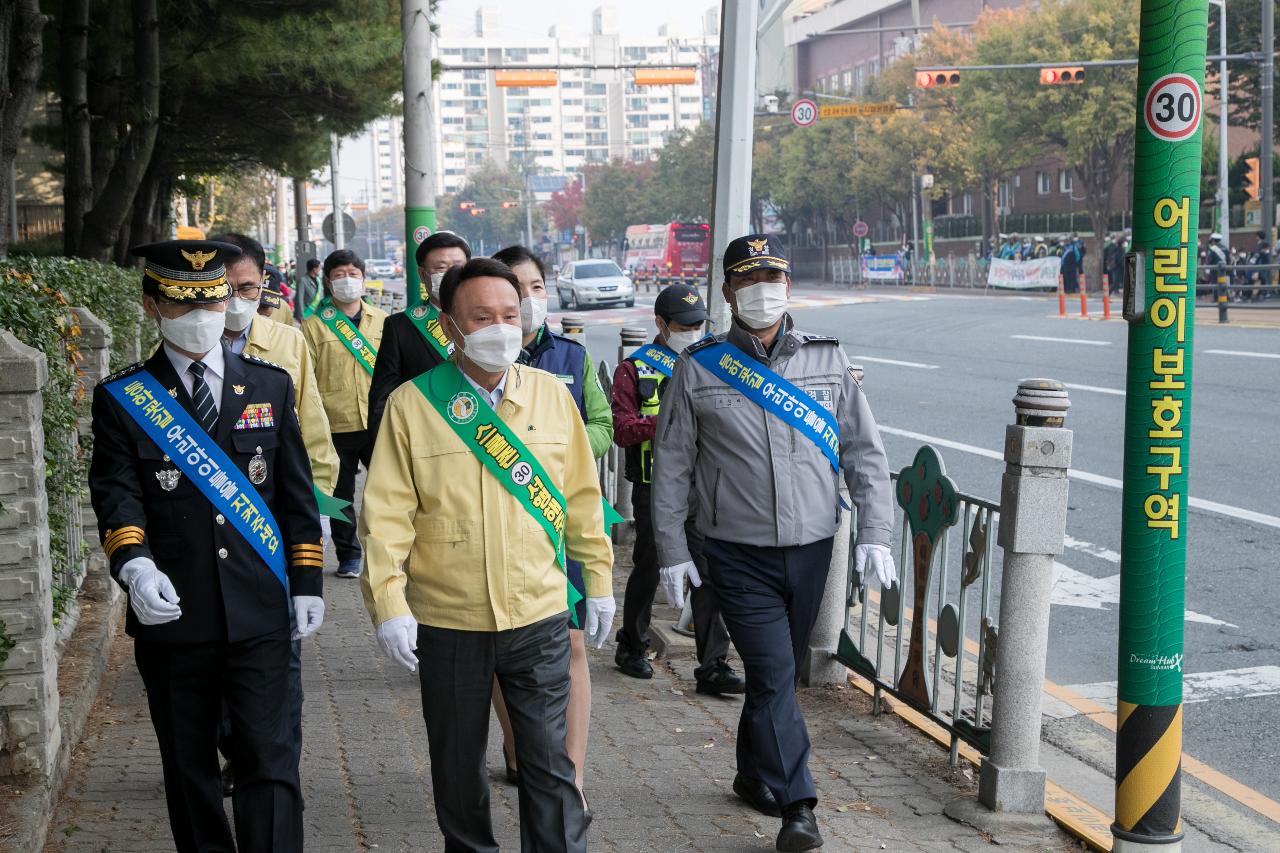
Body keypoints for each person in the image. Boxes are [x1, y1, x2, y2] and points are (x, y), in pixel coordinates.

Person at [359, 257, 614, 853]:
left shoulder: (553, 397)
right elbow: (387, 517)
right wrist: (388, 604)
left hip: (540, 614)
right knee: (457, 768)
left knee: (549, 764)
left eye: (510, 313)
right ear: (451, 327)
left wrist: (598, 581)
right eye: (482, 316)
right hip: (450, 620)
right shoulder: (413, 406)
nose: (501, 326)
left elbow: (582, 498)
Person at [652, 234, 897, 853]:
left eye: (774, 277)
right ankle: (799, 805)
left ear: (787, 286)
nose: (764, 289)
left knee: (772, 680)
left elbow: (864, 453)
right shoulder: (697, 367)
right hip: (734, 552)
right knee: (773, 672)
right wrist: (673, 551)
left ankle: (749, 772)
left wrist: (875, 531)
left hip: (813, 546)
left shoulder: (828, 359)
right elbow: (673, 465)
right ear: (729, 292)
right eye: (749, 279)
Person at [88, 239, 324, 853]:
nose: (203, 317)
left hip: (260, 611)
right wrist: (134, 566)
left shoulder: (270, 386)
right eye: (183, 303)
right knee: (190, 770)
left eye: (213, 301)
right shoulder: (124, 398)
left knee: (269, 763)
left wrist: (306, 582)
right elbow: (118, 495)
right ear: (151, 306)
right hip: (175, 614)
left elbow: (295, 497)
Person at [486, 244, 612, 814]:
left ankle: (572, 779)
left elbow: (602, 421)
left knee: (574, 649)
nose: (528, 299)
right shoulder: (467, 367)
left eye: (536, 287)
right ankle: (519, 752)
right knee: (502, 651)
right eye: (516, 289)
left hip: (560, 523)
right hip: (500, 529)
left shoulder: (571, 357)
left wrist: (565, 455)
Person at [209, 233, 338, 792]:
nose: (237, 300)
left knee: (279, 660)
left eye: (248, 288)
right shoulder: (181, 354)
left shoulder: (286, 343)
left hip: (271, 528)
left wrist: (322, 510)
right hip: (209, 533)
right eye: (225, 289)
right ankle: (234, 746)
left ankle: (274, 764)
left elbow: (311, 429)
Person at [610, 282, 743, 696]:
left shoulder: (713, 363)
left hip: (703, 489)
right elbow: (621, 429)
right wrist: (672, 419)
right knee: (650, 567)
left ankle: (713, 664)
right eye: (683, 325)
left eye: (698, 323)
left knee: (709, 573)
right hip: (654, 488)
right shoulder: (634, 369)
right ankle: (632, 645)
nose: (692, 330)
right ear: (660, 324)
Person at [301, 249, 387, 578]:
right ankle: (349, 555)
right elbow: (306, 379)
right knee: (340, 497)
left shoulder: (384, 321)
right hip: (333, 424)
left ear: (364, 279)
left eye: (353, 273)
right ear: (327, 281)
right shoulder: (312, 327)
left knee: (387, 491)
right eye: (339, 275)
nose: (347, 280)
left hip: (379, 421)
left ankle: (385, 552)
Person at [367, 231, 471, 444]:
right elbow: (382, 400)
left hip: (485, 443)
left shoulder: (490, 320)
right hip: (426, 444)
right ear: (423, 275)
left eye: (458, 267)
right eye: (441, 268)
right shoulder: (400, 327)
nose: (451, 274)